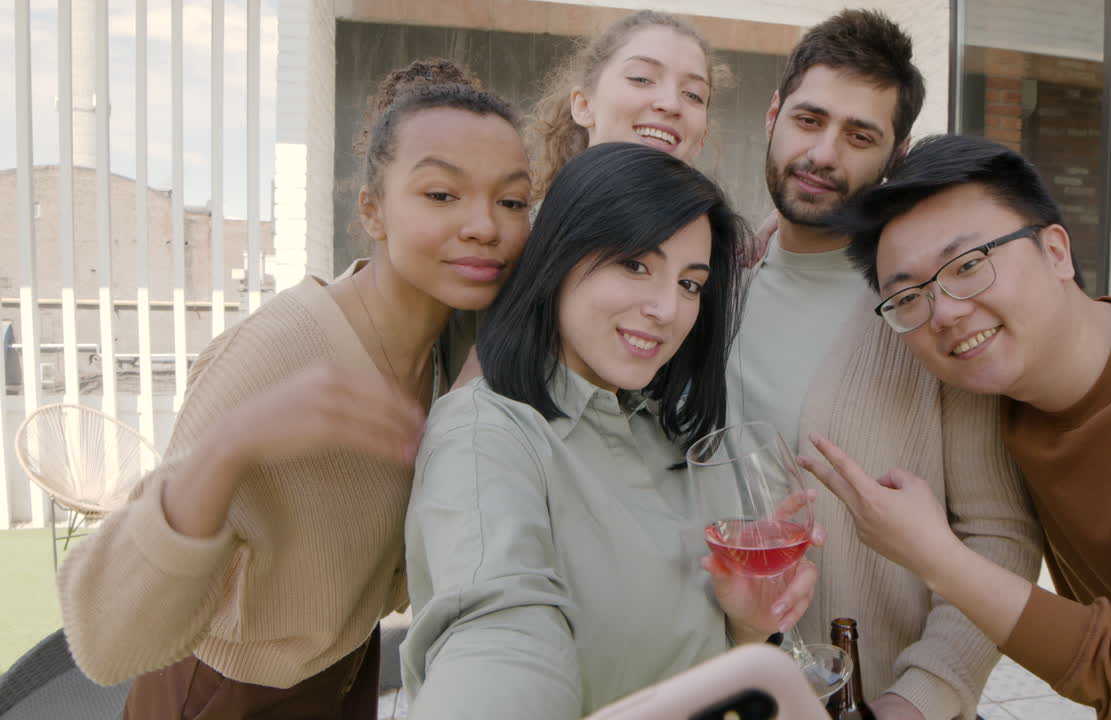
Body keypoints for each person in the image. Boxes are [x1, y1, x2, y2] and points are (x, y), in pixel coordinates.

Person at [56, 60, 532, 718]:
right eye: (441, 195)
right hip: (222, 694)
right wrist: (233, 443)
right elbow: (106, 645)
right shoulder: (278, 352)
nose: (486, 225)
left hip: (344, 671)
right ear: (373, 210)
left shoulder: (457, 345)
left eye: (511, 200)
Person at [808, 133, 1111, 720]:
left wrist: (935, 556)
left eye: (969, 264)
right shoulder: (1002, 393)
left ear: (1056, 251)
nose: (947, 311)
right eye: (908, 297)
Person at [400, 142, 819, 719]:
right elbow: (496, 633)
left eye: (690, 284)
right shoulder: (485, 437)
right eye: (635, 264)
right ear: (560, 255)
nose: (667, 309)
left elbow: (683, 671)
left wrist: (747, 624)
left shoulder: (662, 430)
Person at [726, 10, 1042, 720]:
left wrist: (917, 699)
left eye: (859, 135)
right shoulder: (708, 291)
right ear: (775, 115)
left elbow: (1000, 534)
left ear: (894, 155)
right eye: (809, 119)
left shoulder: (928, 312)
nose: (823, 154)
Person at [529, 9, 719, 197]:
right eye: (641, 78)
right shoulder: (532, 225)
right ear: (584, 105)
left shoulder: (714, 225)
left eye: (693, 95)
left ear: (701, 138)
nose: (671, 104)